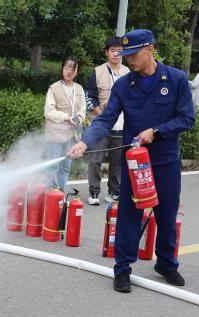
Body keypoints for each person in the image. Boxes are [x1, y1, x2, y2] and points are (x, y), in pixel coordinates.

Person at [69, 29, 195, 293]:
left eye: (134, 54)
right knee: (129, 213)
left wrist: (156, 131)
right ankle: (123, 268)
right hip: (135, 163)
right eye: (126, 55)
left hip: (165, 161)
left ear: (150, 49)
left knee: (166, 213)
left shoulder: (176, 79)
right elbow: (106, 118)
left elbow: (187, 118)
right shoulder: (124, 85)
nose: (129, 60)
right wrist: (85, 142)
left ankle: (167, 264)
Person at [85, 37, 130, 205]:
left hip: (122, 125)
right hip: (101, 125)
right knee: (95, 160)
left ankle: (114, 192)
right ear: (106, 52)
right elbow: (90, 98)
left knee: (117, 163)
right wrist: (103, 116)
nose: (116, 54)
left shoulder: (129, 72)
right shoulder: (97, 72)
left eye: (119, 50)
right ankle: (94, 192)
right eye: (112, 50)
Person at [44, 57, 86, 193]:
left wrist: (79, 117)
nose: (69, 71)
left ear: (77, 72)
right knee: (53, 166)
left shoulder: (79, 88)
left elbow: (83, 108)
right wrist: (67, 117)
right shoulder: (54, 88)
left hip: (72, 135)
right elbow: (49, 112)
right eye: (66, 67)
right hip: (56, 134)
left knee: (65, 167)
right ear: (62, 68)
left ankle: (60, 193)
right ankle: (51, 193)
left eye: (72, 69)